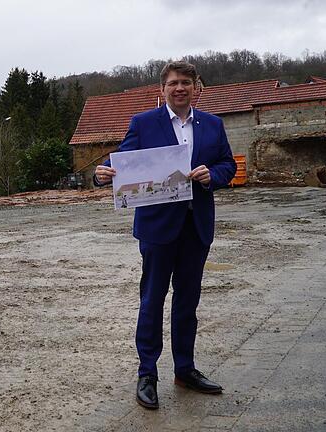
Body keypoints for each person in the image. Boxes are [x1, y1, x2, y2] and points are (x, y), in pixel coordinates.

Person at [94, 61, 236, 410]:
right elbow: (123, 163)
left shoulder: (213, 125)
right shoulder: (143, 123)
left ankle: (184, 370)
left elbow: (228, 165)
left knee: (187, 302)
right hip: (158, 227)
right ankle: (147, 374)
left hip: (196, 225)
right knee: (152, 300)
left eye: (186, 82)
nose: (180, 88)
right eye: (173, 83)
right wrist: (103, 175)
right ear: (163, 90)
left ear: (196, 88)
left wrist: (212, 175)